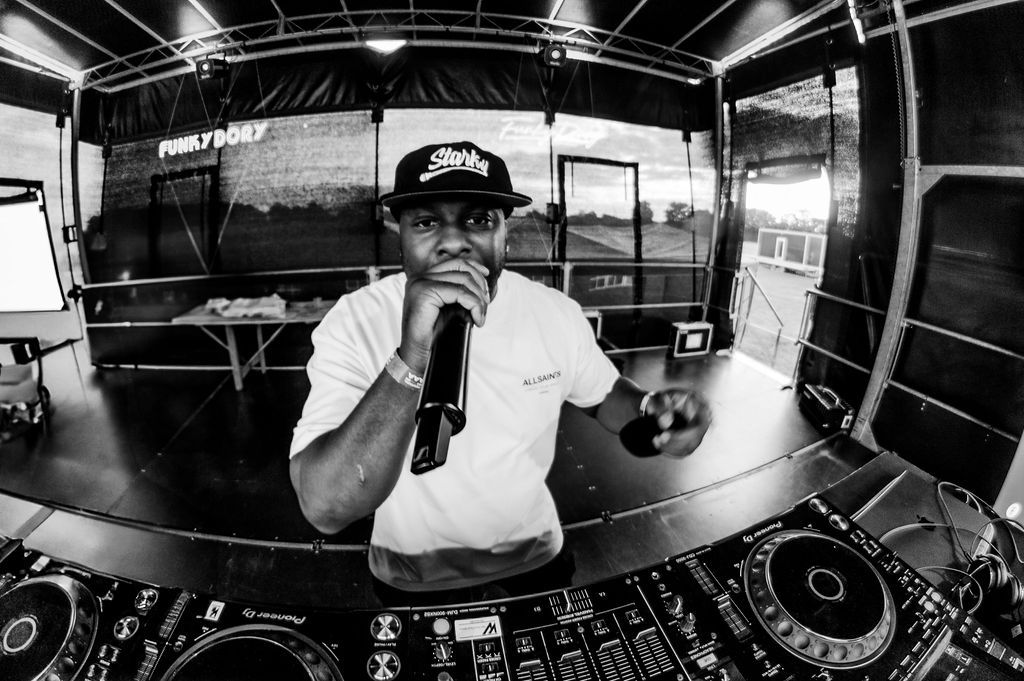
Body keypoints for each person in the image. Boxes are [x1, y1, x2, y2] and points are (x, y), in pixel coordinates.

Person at [289, 141, 711, 604]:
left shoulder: (554, 313)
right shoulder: (354, 319)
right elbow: (324, 506)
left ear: (505, 232)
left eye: (479, 220)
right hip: (412, 570)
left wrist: (653, 410)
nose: (454, 242)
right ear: (400, 235)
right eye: (426, 222)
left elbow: (605, 397)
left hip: (534, 553)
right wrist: (411, 357)